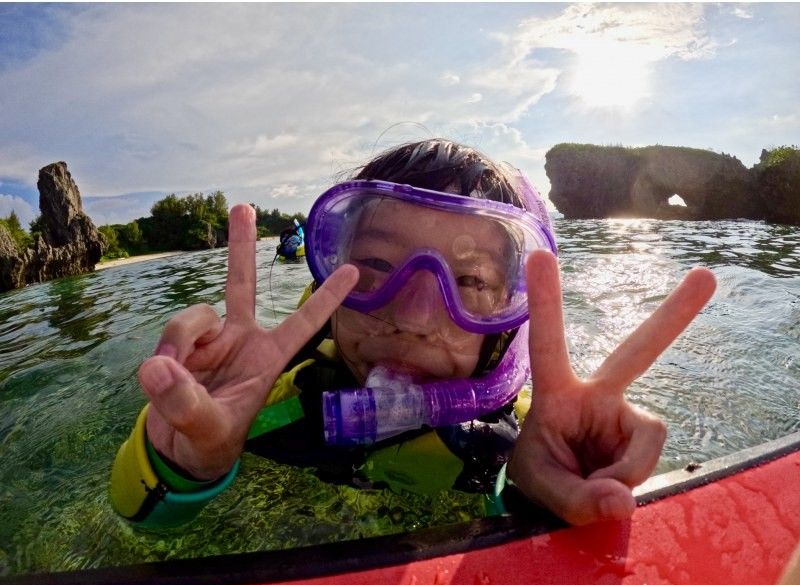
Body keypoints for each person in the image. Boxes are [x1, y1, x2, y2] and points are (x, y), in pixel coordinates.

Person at [110, 139, 716, 528]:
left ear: (510, 319)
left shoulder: (534, 441)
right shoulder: (254, 405)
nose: (417, 318)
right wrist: (183, 461)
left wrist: (536, 495)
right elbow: (134, 522)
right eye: (375, 267)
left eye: (471, 282)